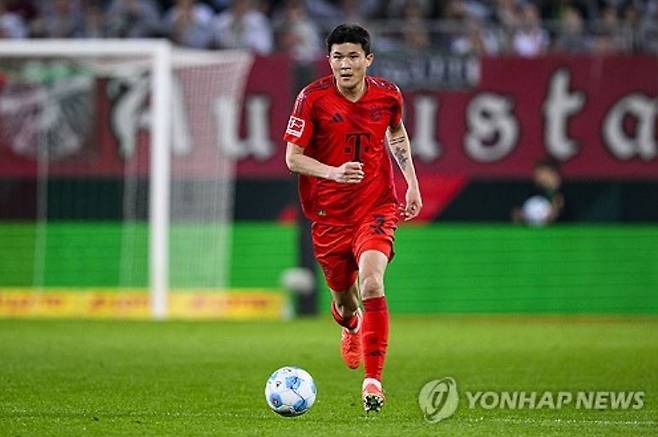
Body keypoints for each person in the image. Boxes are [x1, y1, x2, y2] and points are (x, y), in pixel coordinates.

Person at [283, 24, 422, 413]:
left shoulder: (388, 95)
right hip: (329, 216)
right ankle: (351, 325)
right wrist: (333, 172)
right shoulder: (312, 98)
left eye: (352, 57)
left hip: (376, 206)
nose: (345, 64)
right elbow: (292, 158)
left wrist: (411, 183)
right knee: (345, 303)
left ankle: (373, 381)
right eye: (337, 57)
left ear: (368, 59)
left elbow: (397, 134)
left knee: (372, 282)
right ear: (329, 60)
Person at [512, 157, 565, 226]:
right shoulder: (531, 191)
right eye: (537, 173)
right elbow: (516, 214)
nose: (538, 176)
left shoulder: (566, 192)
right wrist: (522, 216)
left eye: (542, 173)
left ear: (553, 173)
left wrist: (555, 211)